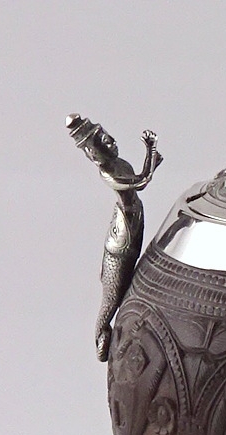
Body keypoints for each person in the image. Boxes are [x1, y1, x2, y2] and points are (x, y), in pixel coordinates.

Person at [66, 113, 162, 360]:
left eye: (106, 136)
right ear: (92, 154)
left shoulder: (121, 164)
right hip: (122, 239)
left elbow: (142, 180)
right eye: (102, 141)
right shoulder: (109, 173)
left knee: (134, 279)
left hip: (134, 219)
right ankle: (102, 335)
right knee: (112, 297)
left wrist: (151, 158)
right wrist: (151, 150)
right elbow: (141, 181)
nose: (110, 141)